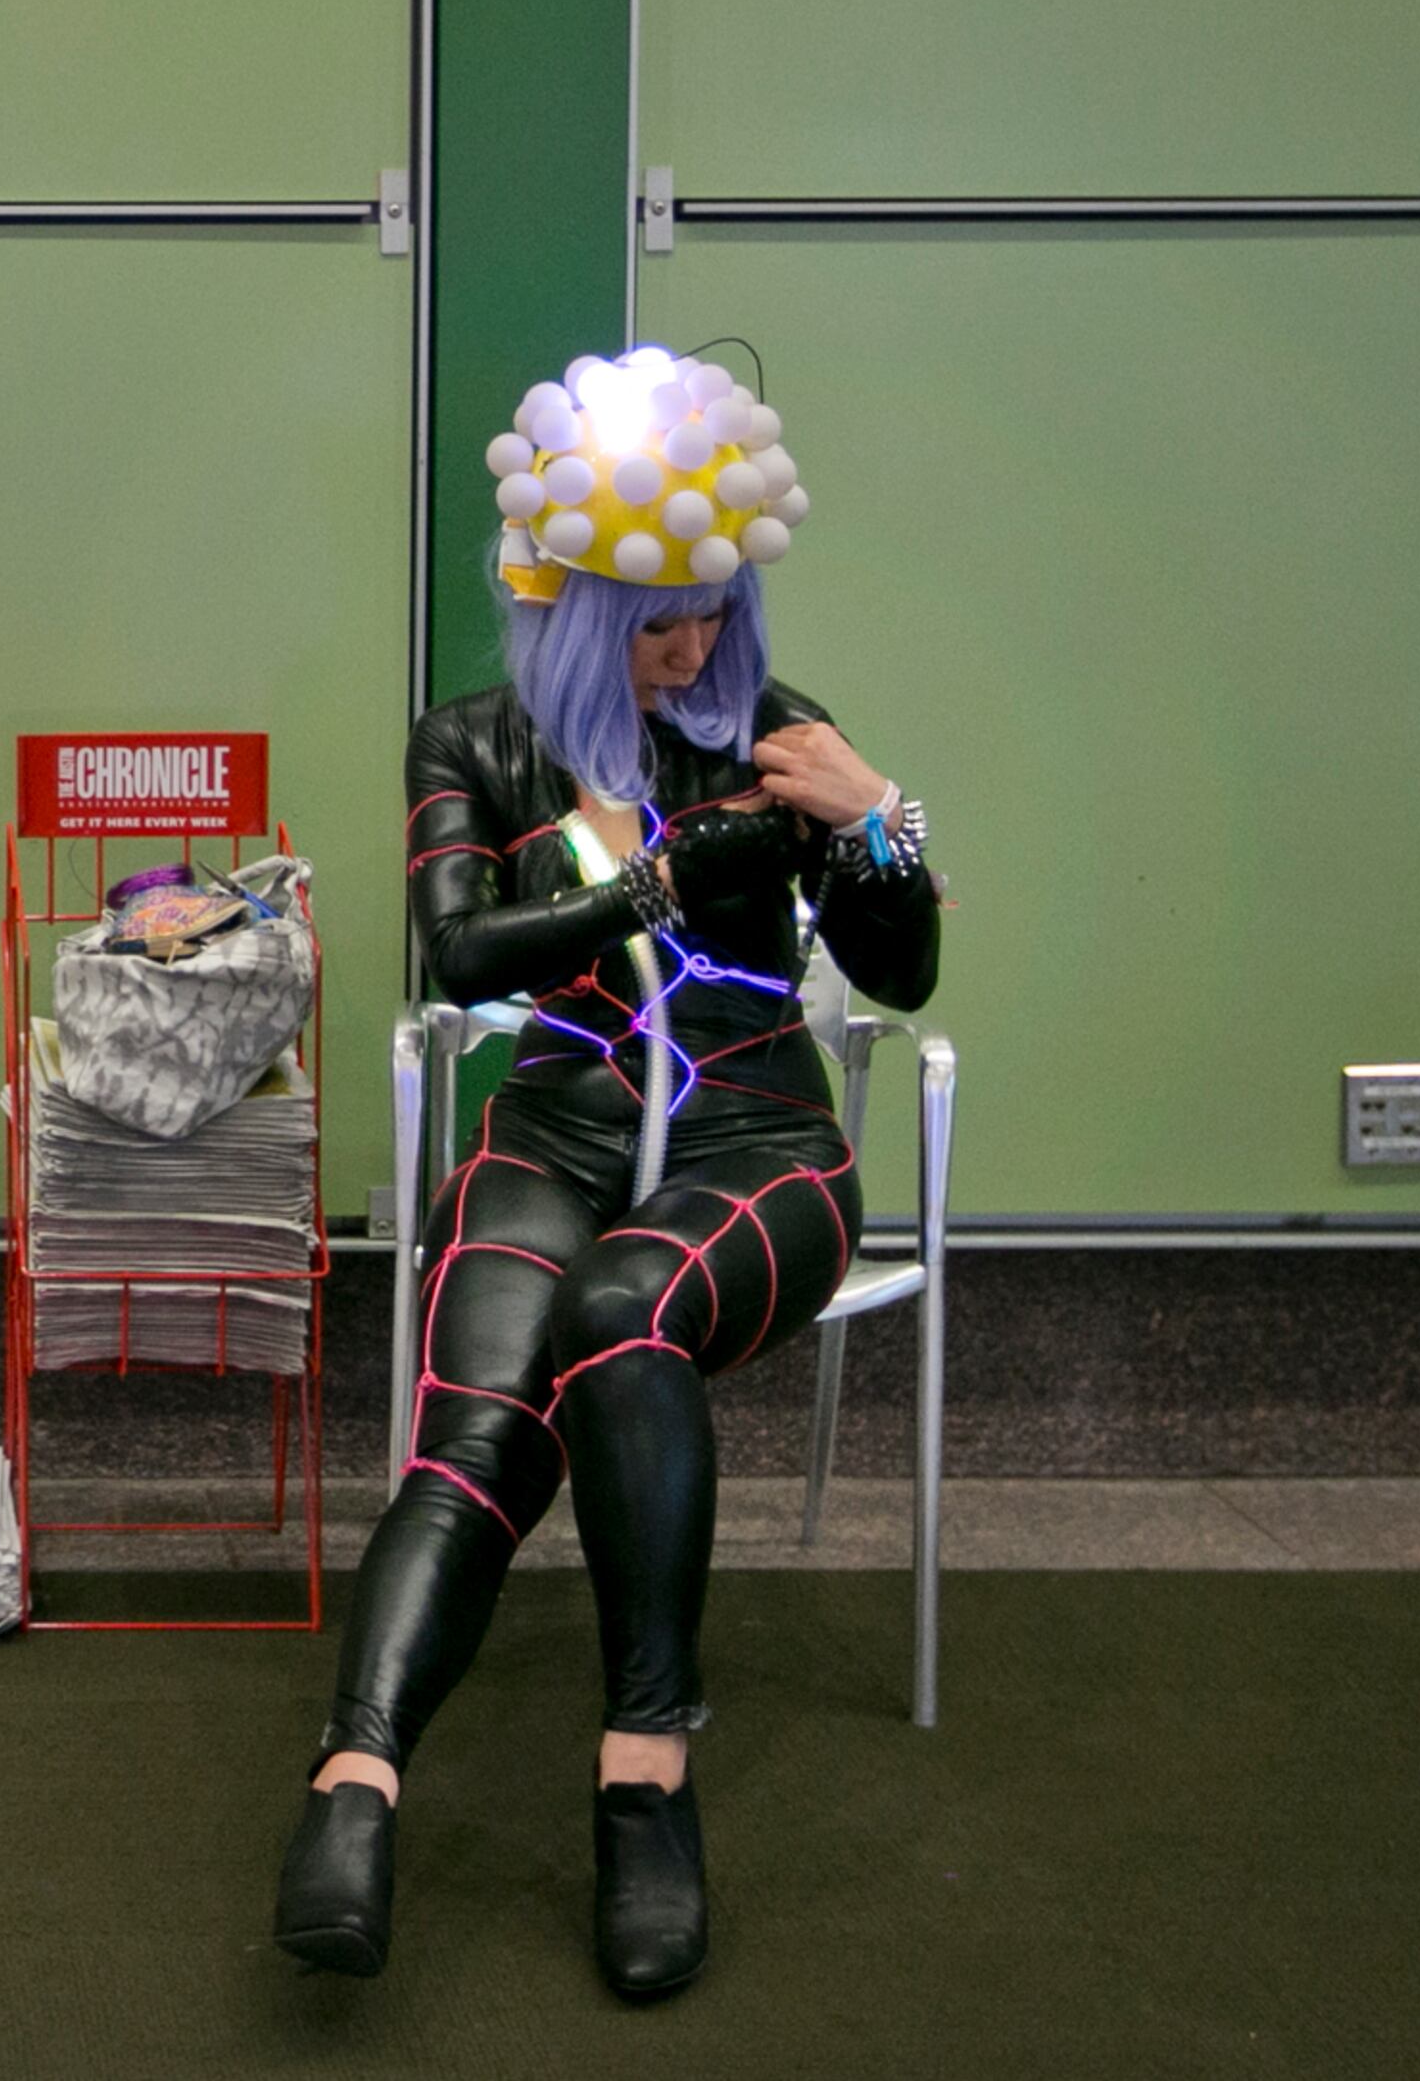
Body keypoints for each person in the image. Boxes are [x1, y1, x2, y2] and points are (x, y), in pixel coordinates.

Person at [272, 346, 941, 2002]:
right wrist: (645, 889)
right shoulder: (478, 745)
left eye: (714, 609)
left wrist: (881, 823)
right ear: (573, 607)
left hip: (758, 1146)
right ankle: (355, 1783)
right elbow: (454, 954)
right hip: (560, 1124)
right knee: (482, 1411)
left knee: (618, 1307)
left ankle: (645, 1776)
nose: (695, 649)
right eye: (655, 621)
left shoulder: (782, 738)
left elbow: (906, 973)